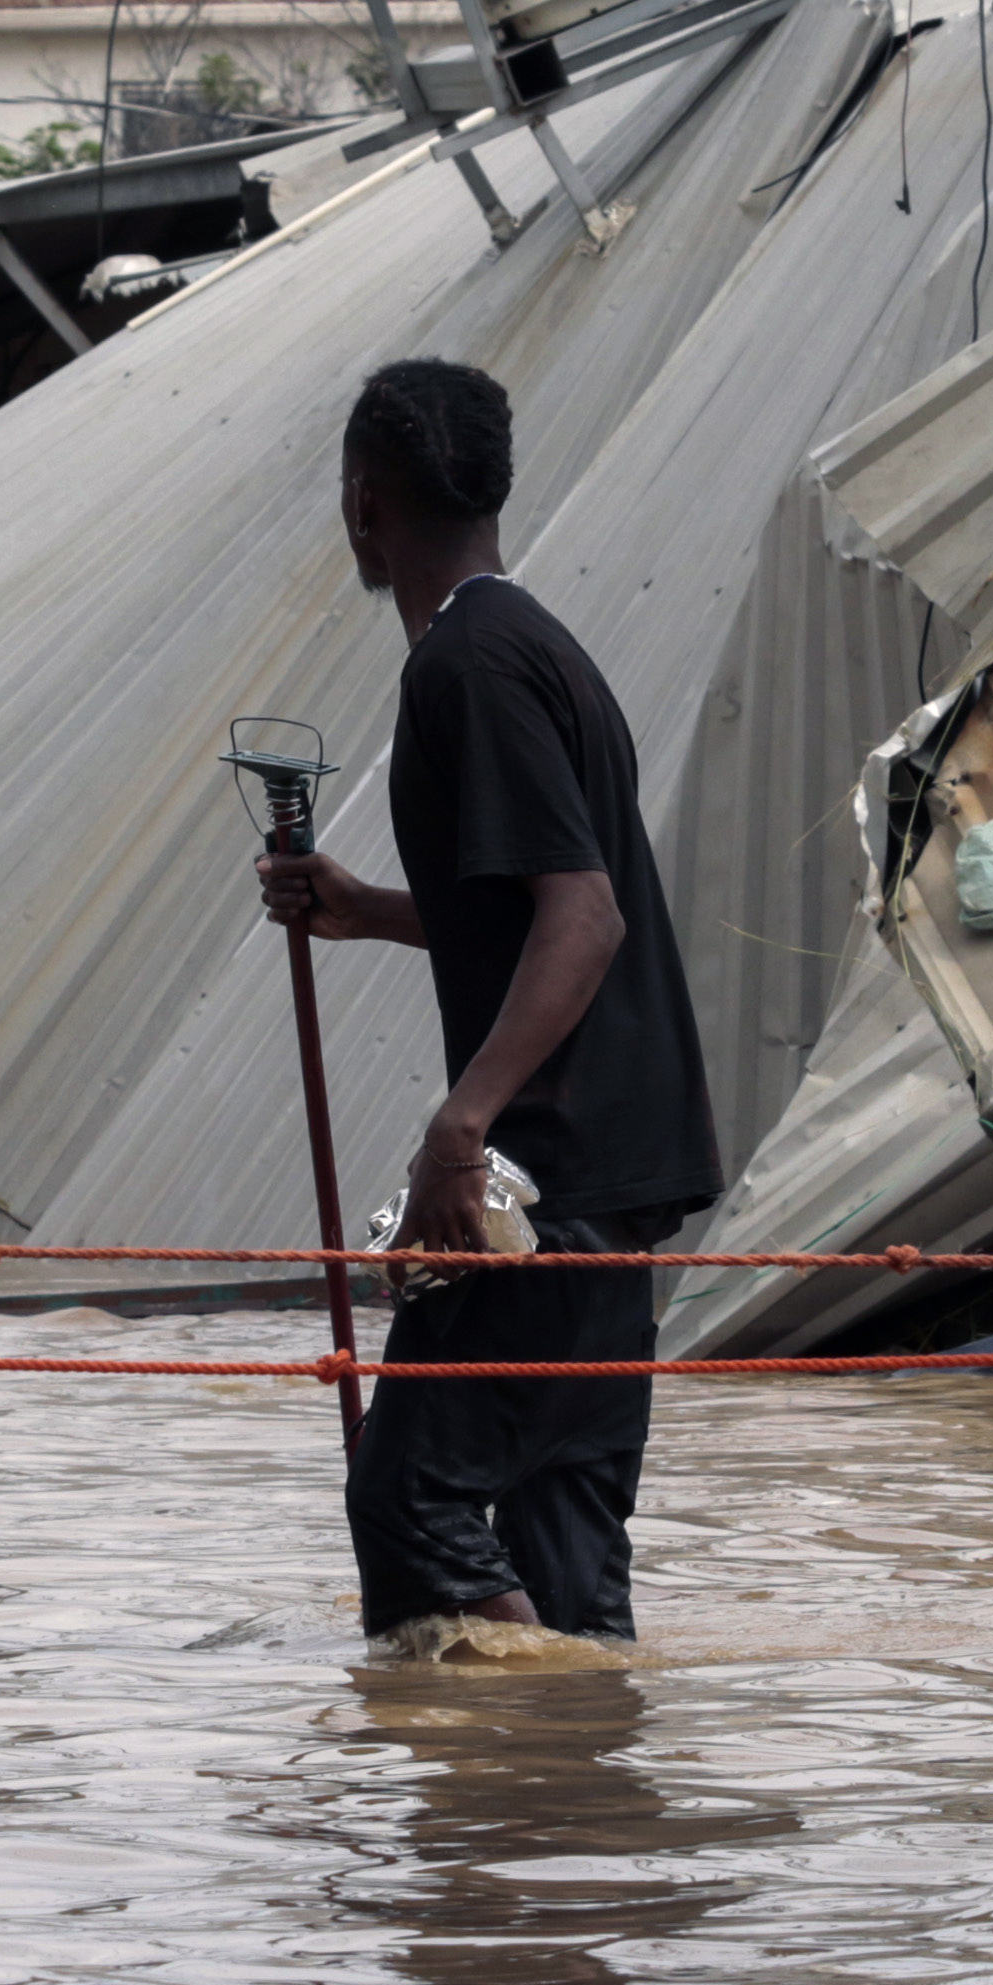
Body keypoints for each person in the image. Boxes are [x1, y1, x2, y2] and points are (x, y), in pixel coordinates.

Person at [252, 360, 722, 1648]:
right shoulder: (541, 647)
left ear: (361, 505)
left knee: (407, 1501)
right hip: (612, 1205)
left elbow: (586, 917)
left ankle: (531, 1751)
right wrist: (375, 909)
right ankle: (576, 1804)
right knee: (568, 1560)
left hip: (547, 1187)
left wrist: (460, 1128)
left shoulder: (465, 664)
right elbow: (532, 911)